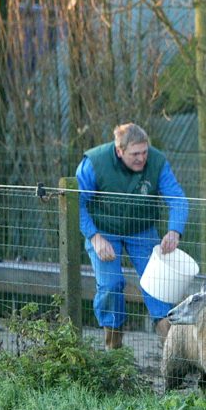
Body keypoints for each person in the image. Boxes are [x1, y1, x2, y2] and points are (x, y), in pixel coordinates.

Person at [76, 123, 188, 349]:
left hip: (141, 230)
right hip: (104, 230)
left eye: (144, 152)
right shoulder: (94, 163)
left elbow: (177, 198)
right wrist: (94, 237)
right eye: (135, 154)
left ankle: (171, 349)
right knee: (111, 284)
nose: (141, 158)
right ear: (119, 151)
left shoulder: (157, 163)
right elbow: (76, 203)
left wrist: (174, 230)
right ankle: (113, 348)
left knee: (158, 284)